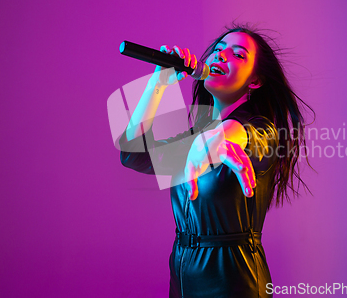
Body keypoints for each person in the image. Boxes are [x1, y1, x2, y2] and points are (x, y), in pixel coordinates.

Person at [118, 23, 315, 298]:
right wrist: (158, 83)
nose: (221, 56)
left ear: (255, 80)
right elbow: (132, 154)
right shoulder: (196, 134)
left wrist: (213, 143)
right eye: (218, 50)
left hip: (233, 280)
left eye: (238, 54)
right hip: (184, 277)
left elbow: (236, 134)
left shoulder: (264, 131)